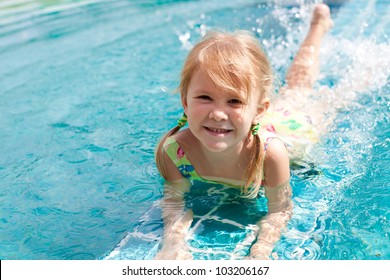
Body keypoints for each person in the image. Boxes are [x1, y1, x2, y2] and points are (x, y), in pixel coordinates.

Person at [154, 3, 333, 260]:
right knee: (294, 89)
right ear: (185, 101)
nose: (217, 113)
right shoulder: (173, 151)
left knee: (301, 90)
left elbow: (279, 210)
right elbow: (172, 203)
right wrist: (172, 243)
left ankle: (317, 28)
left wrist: (261, 251)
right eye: (205, 97)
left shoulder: (271, 155)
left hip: (293, 131)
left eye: (234, 101)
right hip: (248, 126)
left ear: (259, 110)